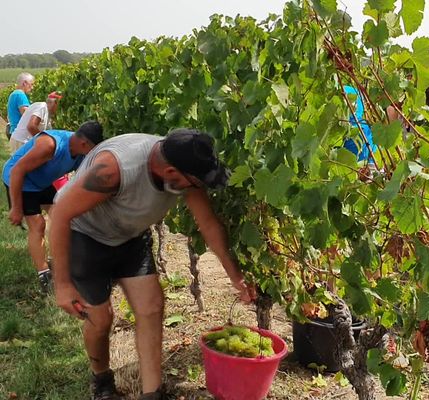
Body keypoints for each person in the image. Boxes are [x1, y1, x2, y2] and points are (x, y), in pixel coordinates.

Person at [49, 129, 257, 400]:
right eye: (196, 183)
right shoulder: (114, 169)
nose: (199, 189)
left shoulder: (182, 164)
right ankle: (101, 378)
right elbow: (61, 213)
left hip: (131, 237)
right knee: (100, 320)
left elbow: (207, 224)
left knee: (151, 307)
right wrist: (62, 284)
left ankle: (152, 393)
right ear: (171, 173)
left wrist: (234, 276)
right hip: (86, 237)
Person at [3, 121, 104, 293]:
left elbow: (85, 181)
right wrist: (16, 207)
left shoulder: (81, 153)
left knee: (62, 216)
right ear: (84, 144)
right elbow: (18, 170)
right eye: (93, 148)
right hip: (21, 181)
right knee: (38, 225)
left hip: (42, 182)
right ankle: (44, 275)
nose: (94, 153)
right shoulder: (50, 145)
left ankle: (59, 259)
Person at [6, 72, 35, 138]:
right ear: (25, 83)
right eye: (31, 84)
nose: (32, 87)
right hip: (20, 134)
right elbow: (26, 114)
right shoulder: (20, 95)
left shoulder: (14, 93)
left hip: (14, 132)